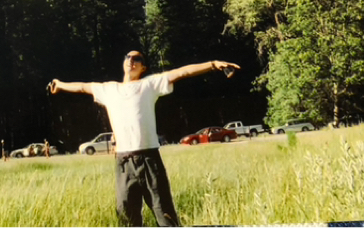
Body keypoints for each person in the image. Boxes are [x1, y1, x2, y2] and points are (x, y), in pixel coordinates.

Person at [49, 50, 239, 227]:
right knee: (126, 215)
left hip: (149, 159)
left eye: (137, 59)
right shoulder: (108, 89)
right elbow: (82, 87)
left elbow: (182, 72)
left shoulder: (149, 84)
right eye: (128, 57)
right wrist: (59, 84)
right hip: (123, 162)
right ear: (124, 63)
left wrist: (213, 64)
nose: (131, 60)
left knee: (164, 213)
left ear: (143, 68)